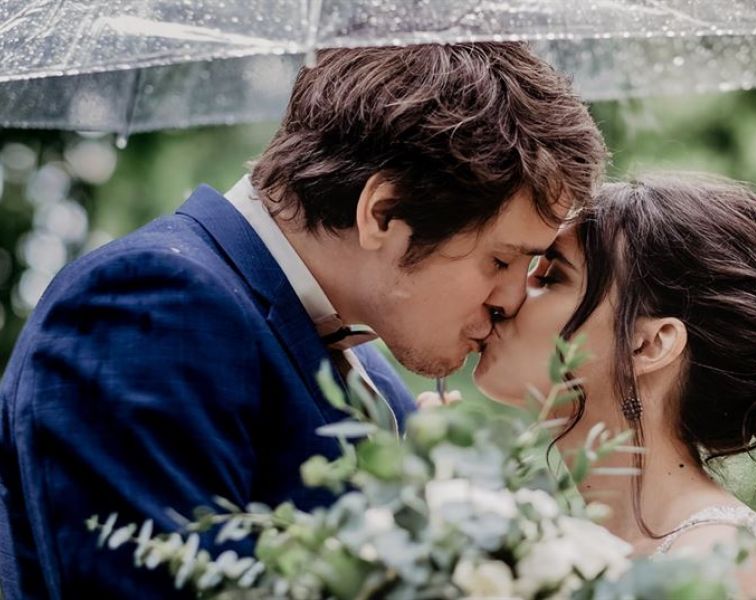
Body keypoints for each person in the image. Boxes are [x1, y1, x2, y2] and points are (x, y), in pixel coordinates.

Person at [0, 43, 606, 598]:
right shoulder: (150, 306)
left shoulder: (375, 379)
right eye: (500, 260)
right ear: (383, 213)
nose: (512, 300)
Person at [474, 173, 756, 599]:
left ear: (648, 345)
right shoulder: (567, 548)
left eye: (551, 277)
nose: (507, 296)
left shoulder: (721, 568)